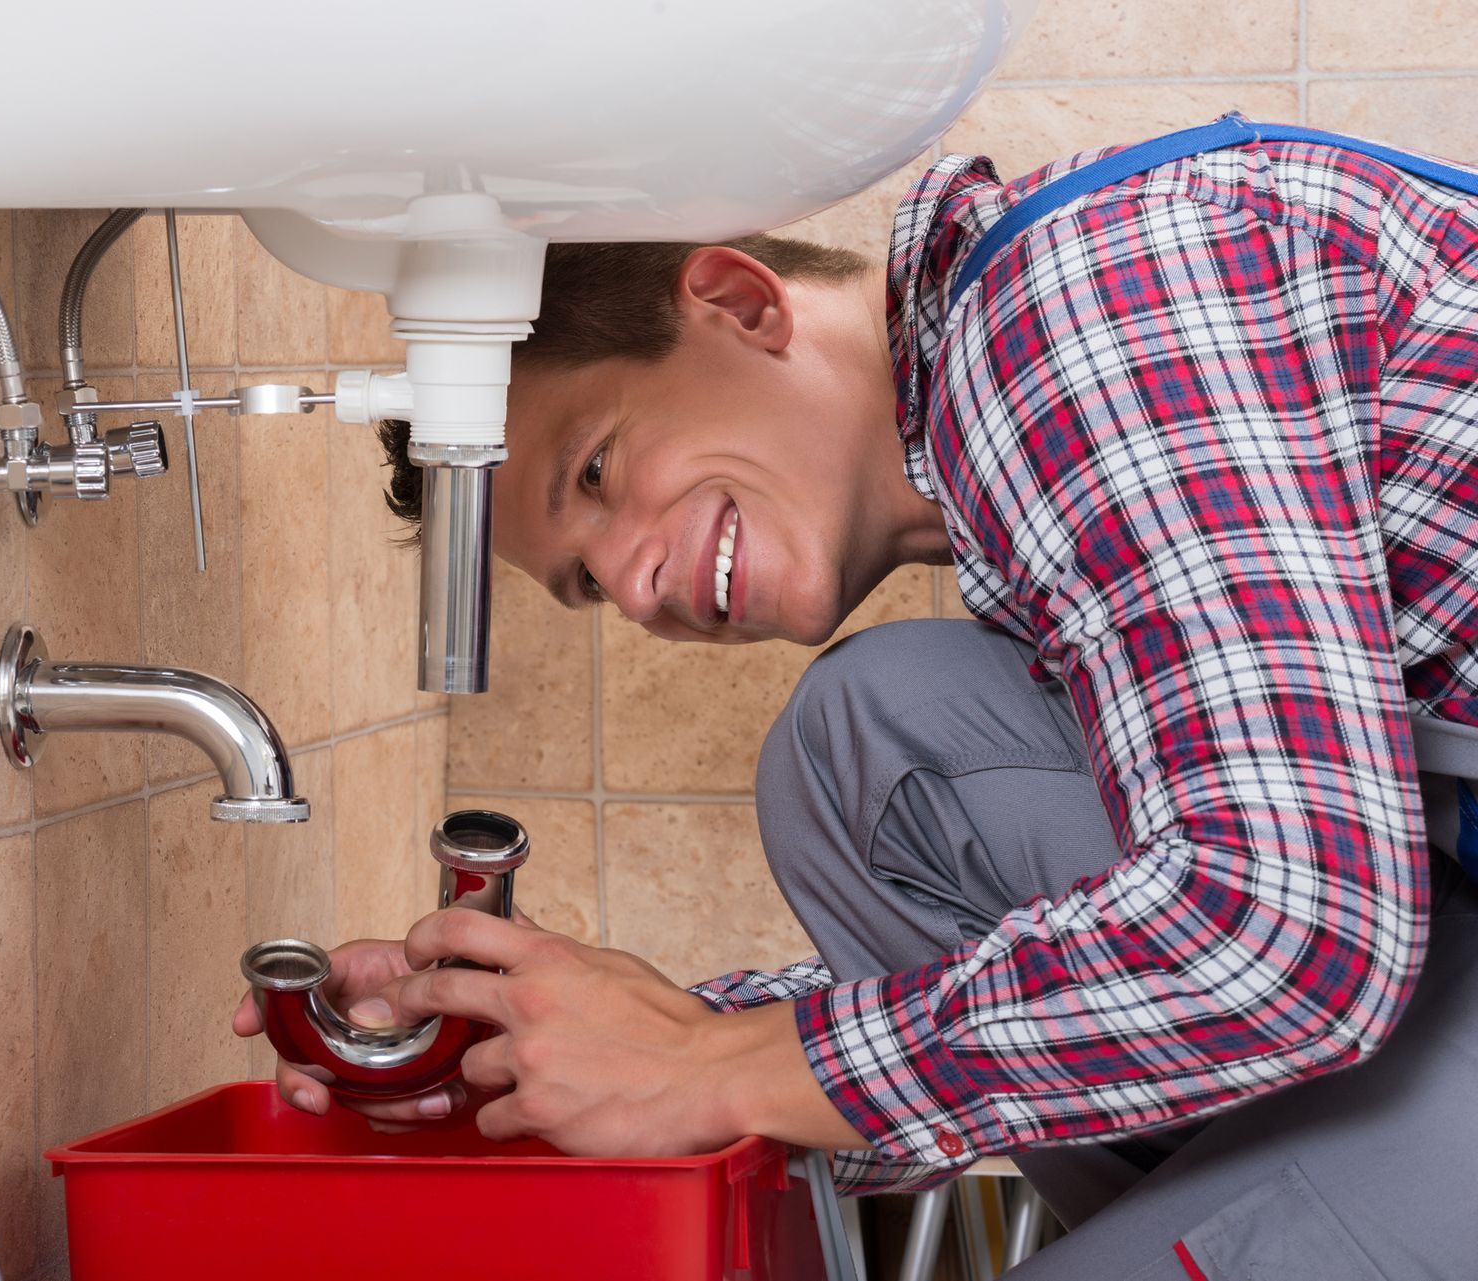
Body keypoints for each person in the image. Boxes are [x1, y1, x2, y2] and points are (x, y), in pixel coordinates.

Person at [234, 117, 1478, 1277]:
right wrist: (541, 1057)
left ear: (737, 303)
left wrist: (716, 1067)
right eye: (585, 583)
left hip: (1359, 949)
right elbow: (1236, 904)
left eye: (599, 469)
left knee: (871, 748)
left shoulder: (1076, 299)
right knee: (873, 735)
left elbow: (1290, 936)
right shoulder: (1024, 452)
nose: (632, 580)